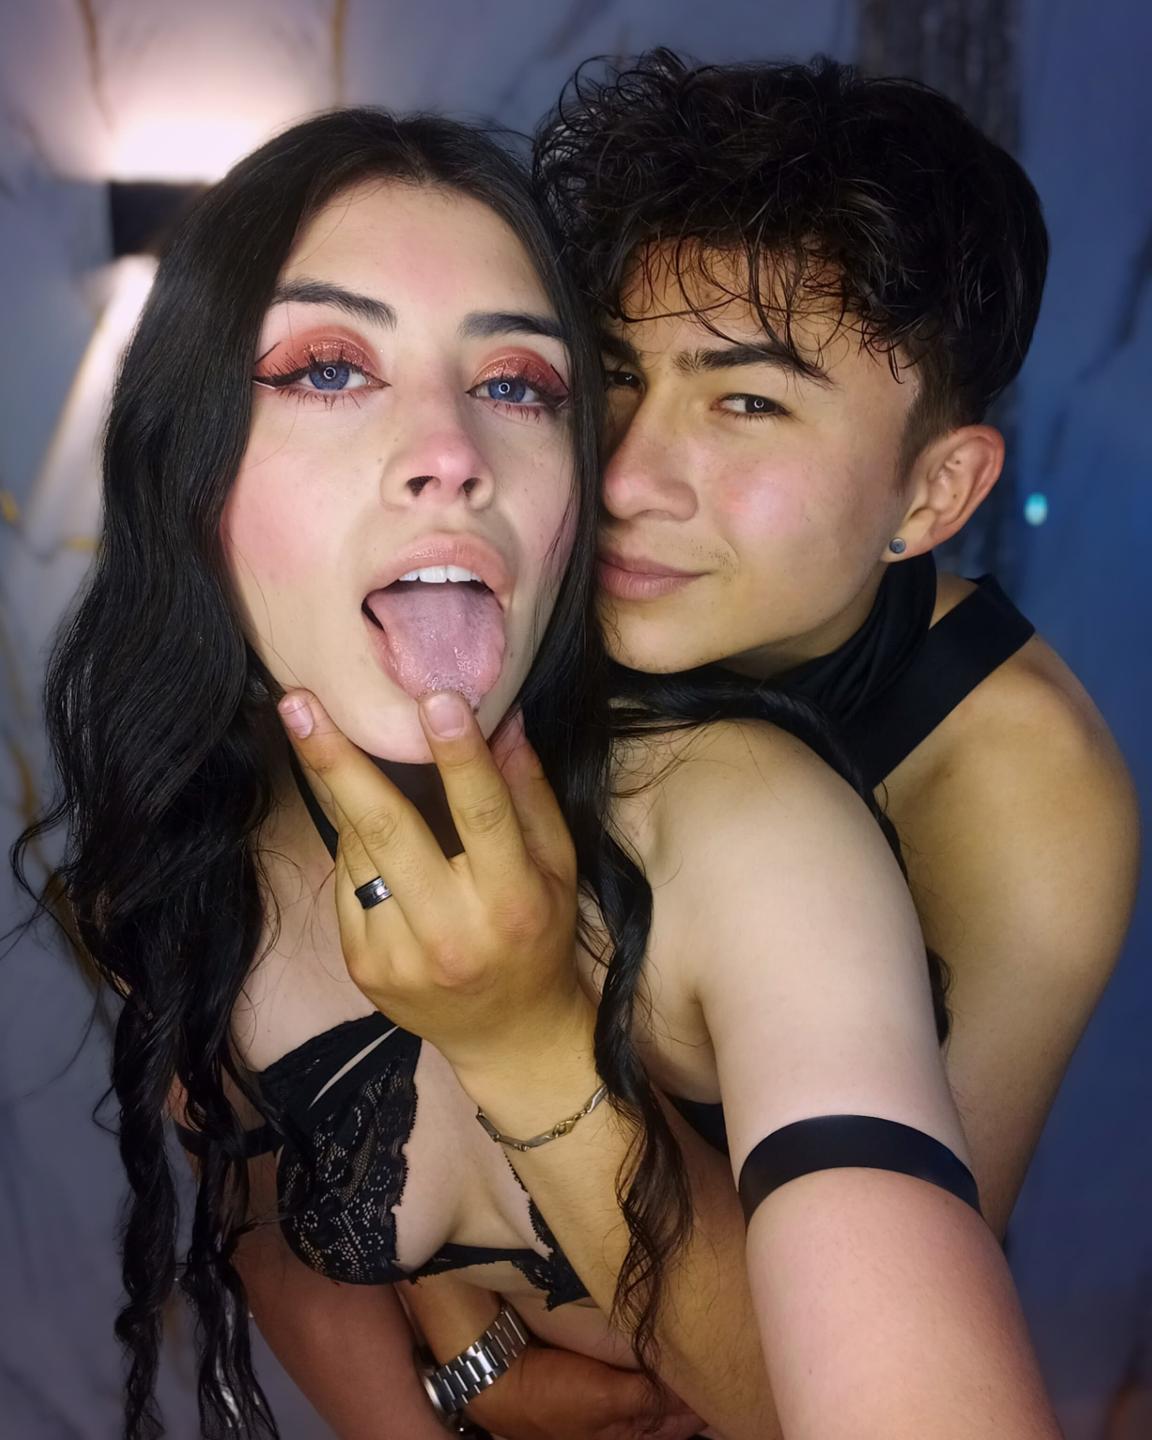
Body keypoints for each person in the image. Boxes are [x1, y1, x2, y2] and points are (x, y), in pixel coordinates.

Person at [15, 105, 1060, 1440]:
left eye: (515, 385)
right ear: (188, 457)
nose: (453, 454)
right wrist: (457, 1384)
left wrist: (528, 1043)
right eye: (329, 369)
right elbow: (265, 1213)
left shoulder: (753, 829)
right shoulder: (176, 852)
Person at [408, 49, 1141, 1435]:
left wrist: (527, 1046)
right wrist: (455, 1354)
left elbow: (827, 1369)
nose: (627, 478)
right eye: (611, 376)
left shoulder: (1019, 785)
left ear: (933, 496)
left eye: (746, 403)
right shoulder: (501, 555)